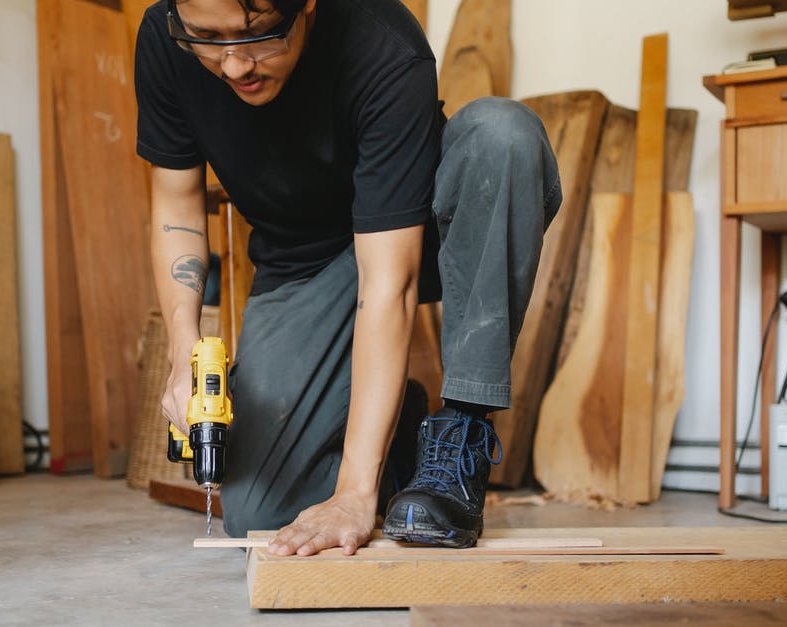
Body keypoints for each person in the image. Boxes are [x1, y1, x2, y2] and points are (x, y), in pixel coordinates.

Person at [135, 0, 560, 555]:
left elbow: (390, 284)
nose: (236, 65)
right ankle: (400, 432)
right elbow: (177, 207)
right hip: (303, 262)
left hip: (418, 231)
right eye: (208, 39)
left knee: (501, 135)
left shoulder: (382, 40)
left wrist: (355, 493)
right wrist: (183, 351)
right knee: (259, 515)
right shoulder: (164, 37)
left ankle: (460, 431)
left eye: (260, 35)